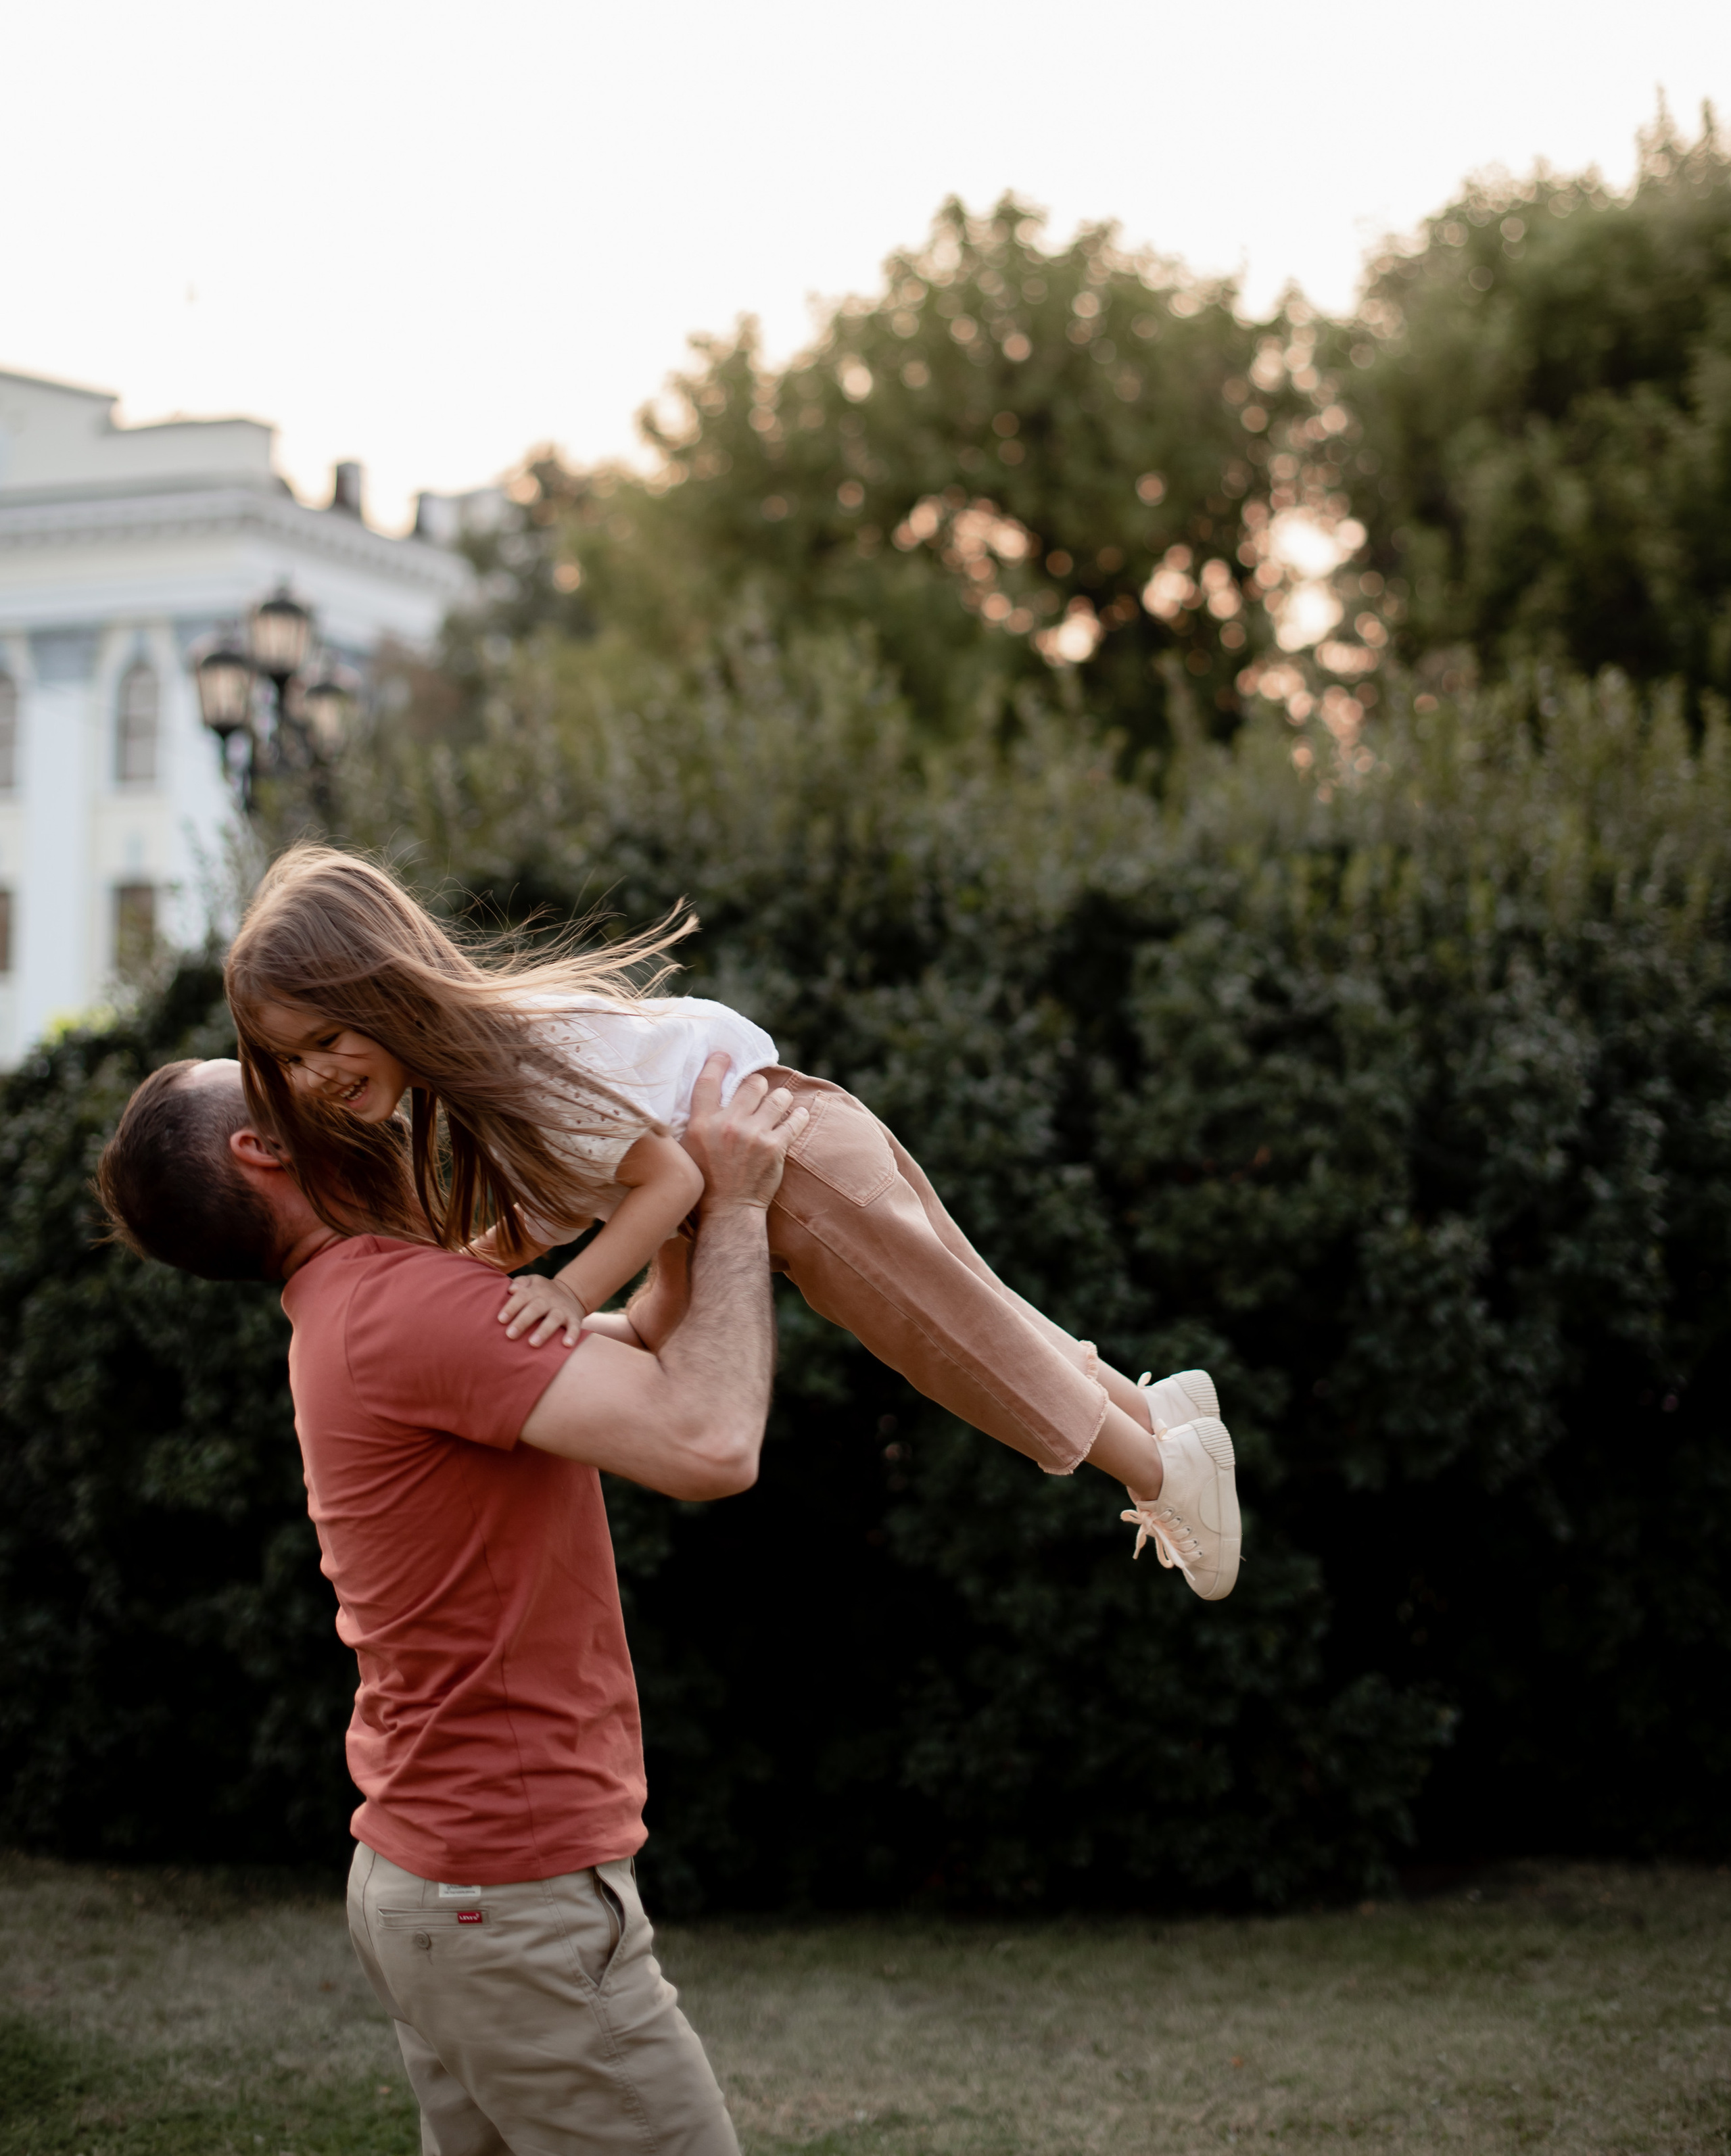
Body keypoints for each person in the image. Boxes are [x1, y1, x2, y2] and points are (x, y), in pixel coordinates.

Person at [96, 1047, 805, 2156]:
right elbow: (710, 1440)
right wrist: (747, 1207)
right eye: (271, 1070)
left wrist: (682, 1202)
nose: (319, 1064)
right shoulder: (402, 1306)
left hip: (443, 1887)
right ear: (263, 1145)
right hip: (506, 1898)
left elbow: (651, 1346)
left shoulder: (364, 1304)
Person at [223, 846, 1240, 1597]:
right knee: (980, 1303)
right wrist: (479, 1267)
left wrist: (572, 1293)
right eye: (289, 1060)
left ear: (386, 991)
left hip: (792, 1167)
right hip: (804, 1125)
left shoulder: (516, 1071)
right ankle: (1163, 1413)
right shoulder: (489, 1069)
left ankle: (1163, 1471)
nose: (315, 1076)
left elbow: (663, 1181)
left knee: (960, 1343)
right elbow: (550, 1211)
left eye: (326, 1037)